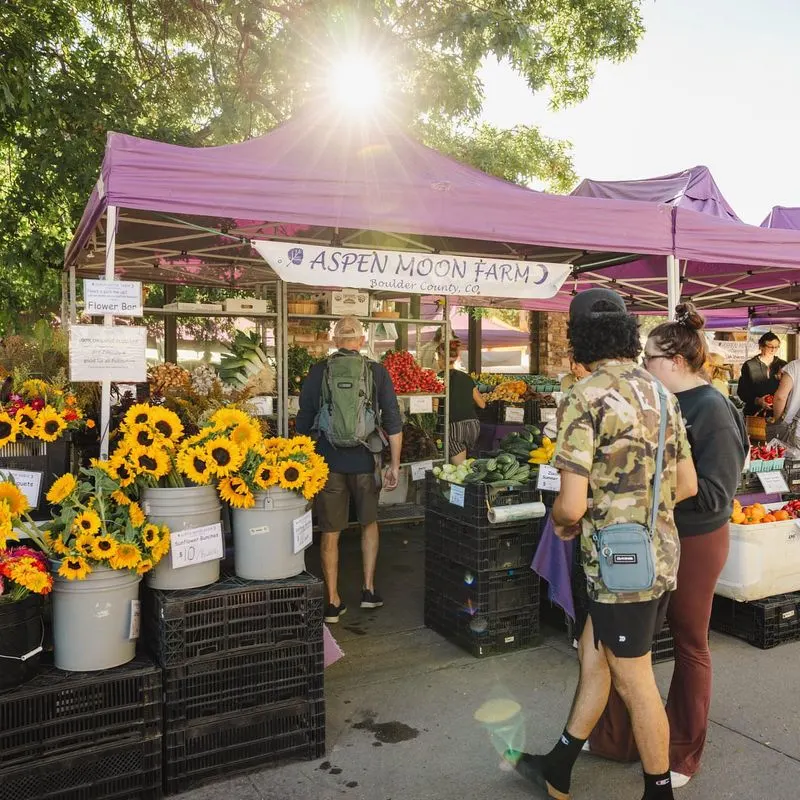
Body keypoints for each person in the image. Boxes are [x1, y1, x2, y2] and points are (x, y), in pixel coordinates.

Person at [509, 288, 697, 800]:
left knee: (634, 680)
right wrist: (642, 513)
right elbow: (687, 485)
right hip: (657, 557)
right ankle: (559, 768)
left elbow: (570, 504)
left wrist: (569, 524)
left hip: (616, 567)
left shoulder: (583, 395)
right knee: (595, 660)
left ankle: (659, 791)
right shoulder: (661, 393)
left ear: (579, 337)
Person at [585, 302, 747, 789]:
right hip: (656, 536)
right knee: (626, 644)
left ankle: (683, 752)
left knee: (689, 642)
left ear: (675, 360)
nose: (642, 365)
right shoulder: (660, 401)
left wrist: (647, 497)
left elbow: (718, 494)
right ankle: (618, 738)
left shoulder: (713, 408)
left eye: (649, 357)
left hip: (697, 540)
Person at [296, 316, 403, 624]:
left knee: (330, 531)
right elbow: (393, 422)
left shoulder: (318, 372)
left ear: (334, 341)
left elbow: (304, 421)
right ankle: (368, 590)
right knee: (369, 523)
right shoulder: (376, 372)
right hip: (366, 461)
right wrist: (393, 464)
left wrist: (303, 464)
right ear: (361, 341)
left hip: (328, 463)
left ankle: (332, 601)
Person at [437, 338, 485, 464]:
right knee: (466, 465)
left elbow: (434, 407)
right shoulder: (467, 377)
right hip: (473, 426)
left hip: (454, 426)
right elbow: (482, 404)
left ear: (440, 358)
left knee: (459, 470)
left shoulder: (439, 378)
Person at [736, 332, 785, 415]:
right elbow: (742, 391)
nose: (773, 350)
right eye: (770, 346)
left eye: (776, 347)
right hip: (755, 414)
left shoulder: (783, 365)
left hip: (778, 413)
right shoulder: (749, 365)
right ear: (761, 346)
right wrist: (758, 401)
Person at [767, 357, 800, 457]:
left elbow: (780, 397)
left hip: (794, 429)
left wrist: (777, 420)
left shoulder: (794, 366)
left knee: (789, 464)